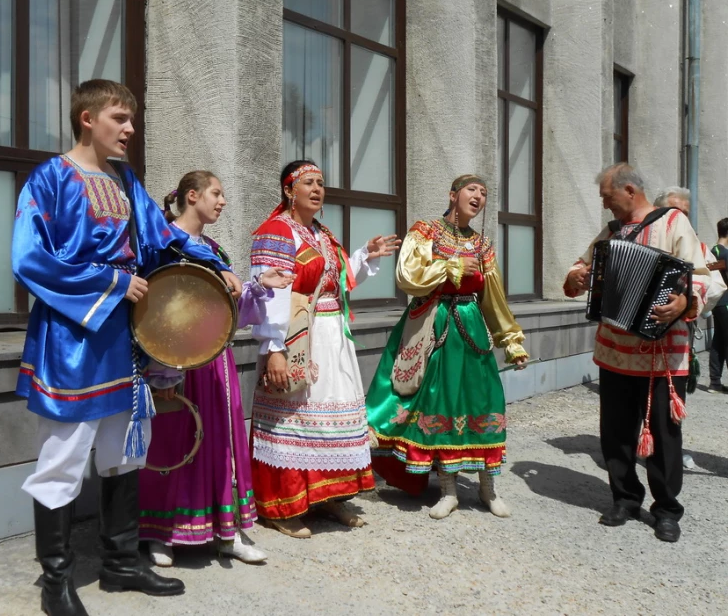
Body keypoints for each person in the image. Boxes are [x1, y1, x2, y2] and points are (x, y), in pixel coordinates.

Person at [12, 80, 240, 616]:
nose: (130, 130)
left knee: (124, 451)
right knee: (63, 457)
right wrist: (112, 284)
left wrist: (214, 264)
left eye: (131, 120)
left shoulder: (123, 178)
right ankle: (56, 582)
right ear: (87, 118)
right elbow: (28, 259)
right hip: (71, 340)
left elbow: (161, 234)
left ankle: (119, 565)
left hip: (124, 340)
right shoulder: (50, 178)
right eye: (120, 118)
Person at [139, 171, 294, 567]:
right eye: (216, 193)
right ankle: (162, 535)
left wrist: (258, 286)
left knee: (219, 443)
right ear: (192, 196)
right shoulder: (161, 244)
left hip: (214, 364)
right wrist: (159, 370)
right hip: (173, 362)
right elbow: (150, 309)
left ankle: (228, 534)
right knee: (173, 441)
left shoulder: (216, 250)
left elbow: (227, 313)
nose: (222, 201)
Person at [248, 159, 400, 538]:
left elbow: (339, 281)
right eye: (309, 183)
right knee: (293, 418)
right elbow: (270, 294)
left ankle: (330, 495)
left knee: (331, 419)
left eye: (321, 183)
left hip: (333, 339)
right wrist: (274, 348)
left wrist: (365, 254)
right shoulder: (276, 232)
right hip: (300, 338)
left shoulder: (320, 233)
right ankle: (281, 505)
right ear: (289, 190)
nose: (318, 189)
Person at [366, 174, 529, 520]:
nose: (479, 196)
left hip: (470, 325)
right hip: (434, 323)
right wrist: (451, 266)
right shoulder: (426, 231)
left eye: (484, 193)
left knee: (484, 399)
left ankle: (488, 489)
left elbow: (493, 297)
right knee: (441, 400)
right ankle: (449, 491)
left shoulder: (483, 245)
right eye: (472, 189)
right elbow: (408, 276)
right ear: (452, 194)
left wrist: (510, 340)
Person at [564, 163, 711, 543]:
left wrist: (683, 302)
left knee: (664, 433)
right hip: (615, 349)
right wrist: (574, 277)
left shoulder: (673, 222)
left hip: (664, 352)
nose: (605, 207)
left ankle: (666, 509)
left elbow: (705, 277)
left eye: (608, 198)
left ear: (629, 191)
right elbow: (582, 268)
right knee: (615, 431)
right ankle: (625, 497)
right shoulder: (612, 232)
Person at [653, 187, 727, 468]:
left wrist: (691, 298)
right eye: (674, 212)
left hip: (677, 339)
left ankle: (668, 451)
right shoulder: (647, 238)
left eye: (685, 213)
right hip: (636, 342)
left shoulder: (699, 247)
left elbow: (716, 286)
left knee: (672, 399)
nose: (681, 218)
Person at [707, 217, 728, 393]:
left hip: (716, 302)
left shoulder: (711, 250)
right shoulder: (726, 254)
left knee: (718, 341)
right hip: (726, 301)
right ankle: (715, 382)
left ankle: (714, 382)